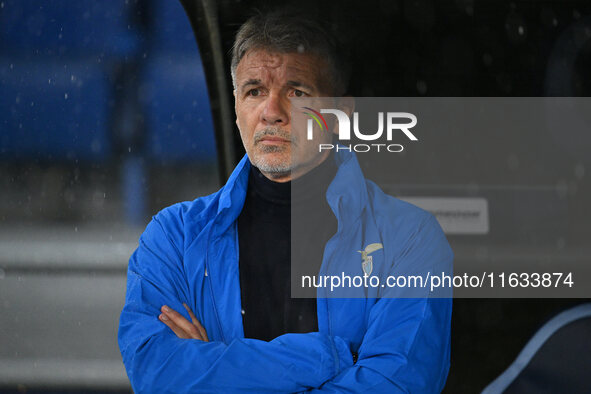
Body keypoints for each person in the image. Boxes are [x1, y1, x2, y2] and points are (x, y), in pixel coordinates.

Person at [118, 9, 453, 393]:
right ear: (236, 106)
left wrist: (215, 364)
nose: (271, 112)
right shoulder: (173, 238)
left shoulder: (410, 238)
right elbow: (157, 373)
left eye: (296, 92)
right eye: (255, 91)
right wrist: (326, 357)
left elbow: (396, 386)